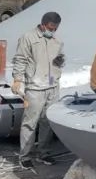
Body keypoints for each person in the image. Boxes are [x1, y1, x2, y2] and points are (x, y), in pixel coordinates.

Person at [11, 11, 64, 168]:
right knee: (30, 122)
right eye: (50, 28)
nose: (52, 31)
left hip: (52, 85)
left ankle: (43, 153)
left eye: (55, 29)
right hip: (35, 87)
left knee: (47, 121)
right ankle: (25, 155)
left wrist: (60, 62)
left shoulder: (56, 41)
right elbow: (20, 59)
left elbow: (59, 60)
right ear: (43, 25)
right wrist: (17, 79)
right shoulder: (28, 38)